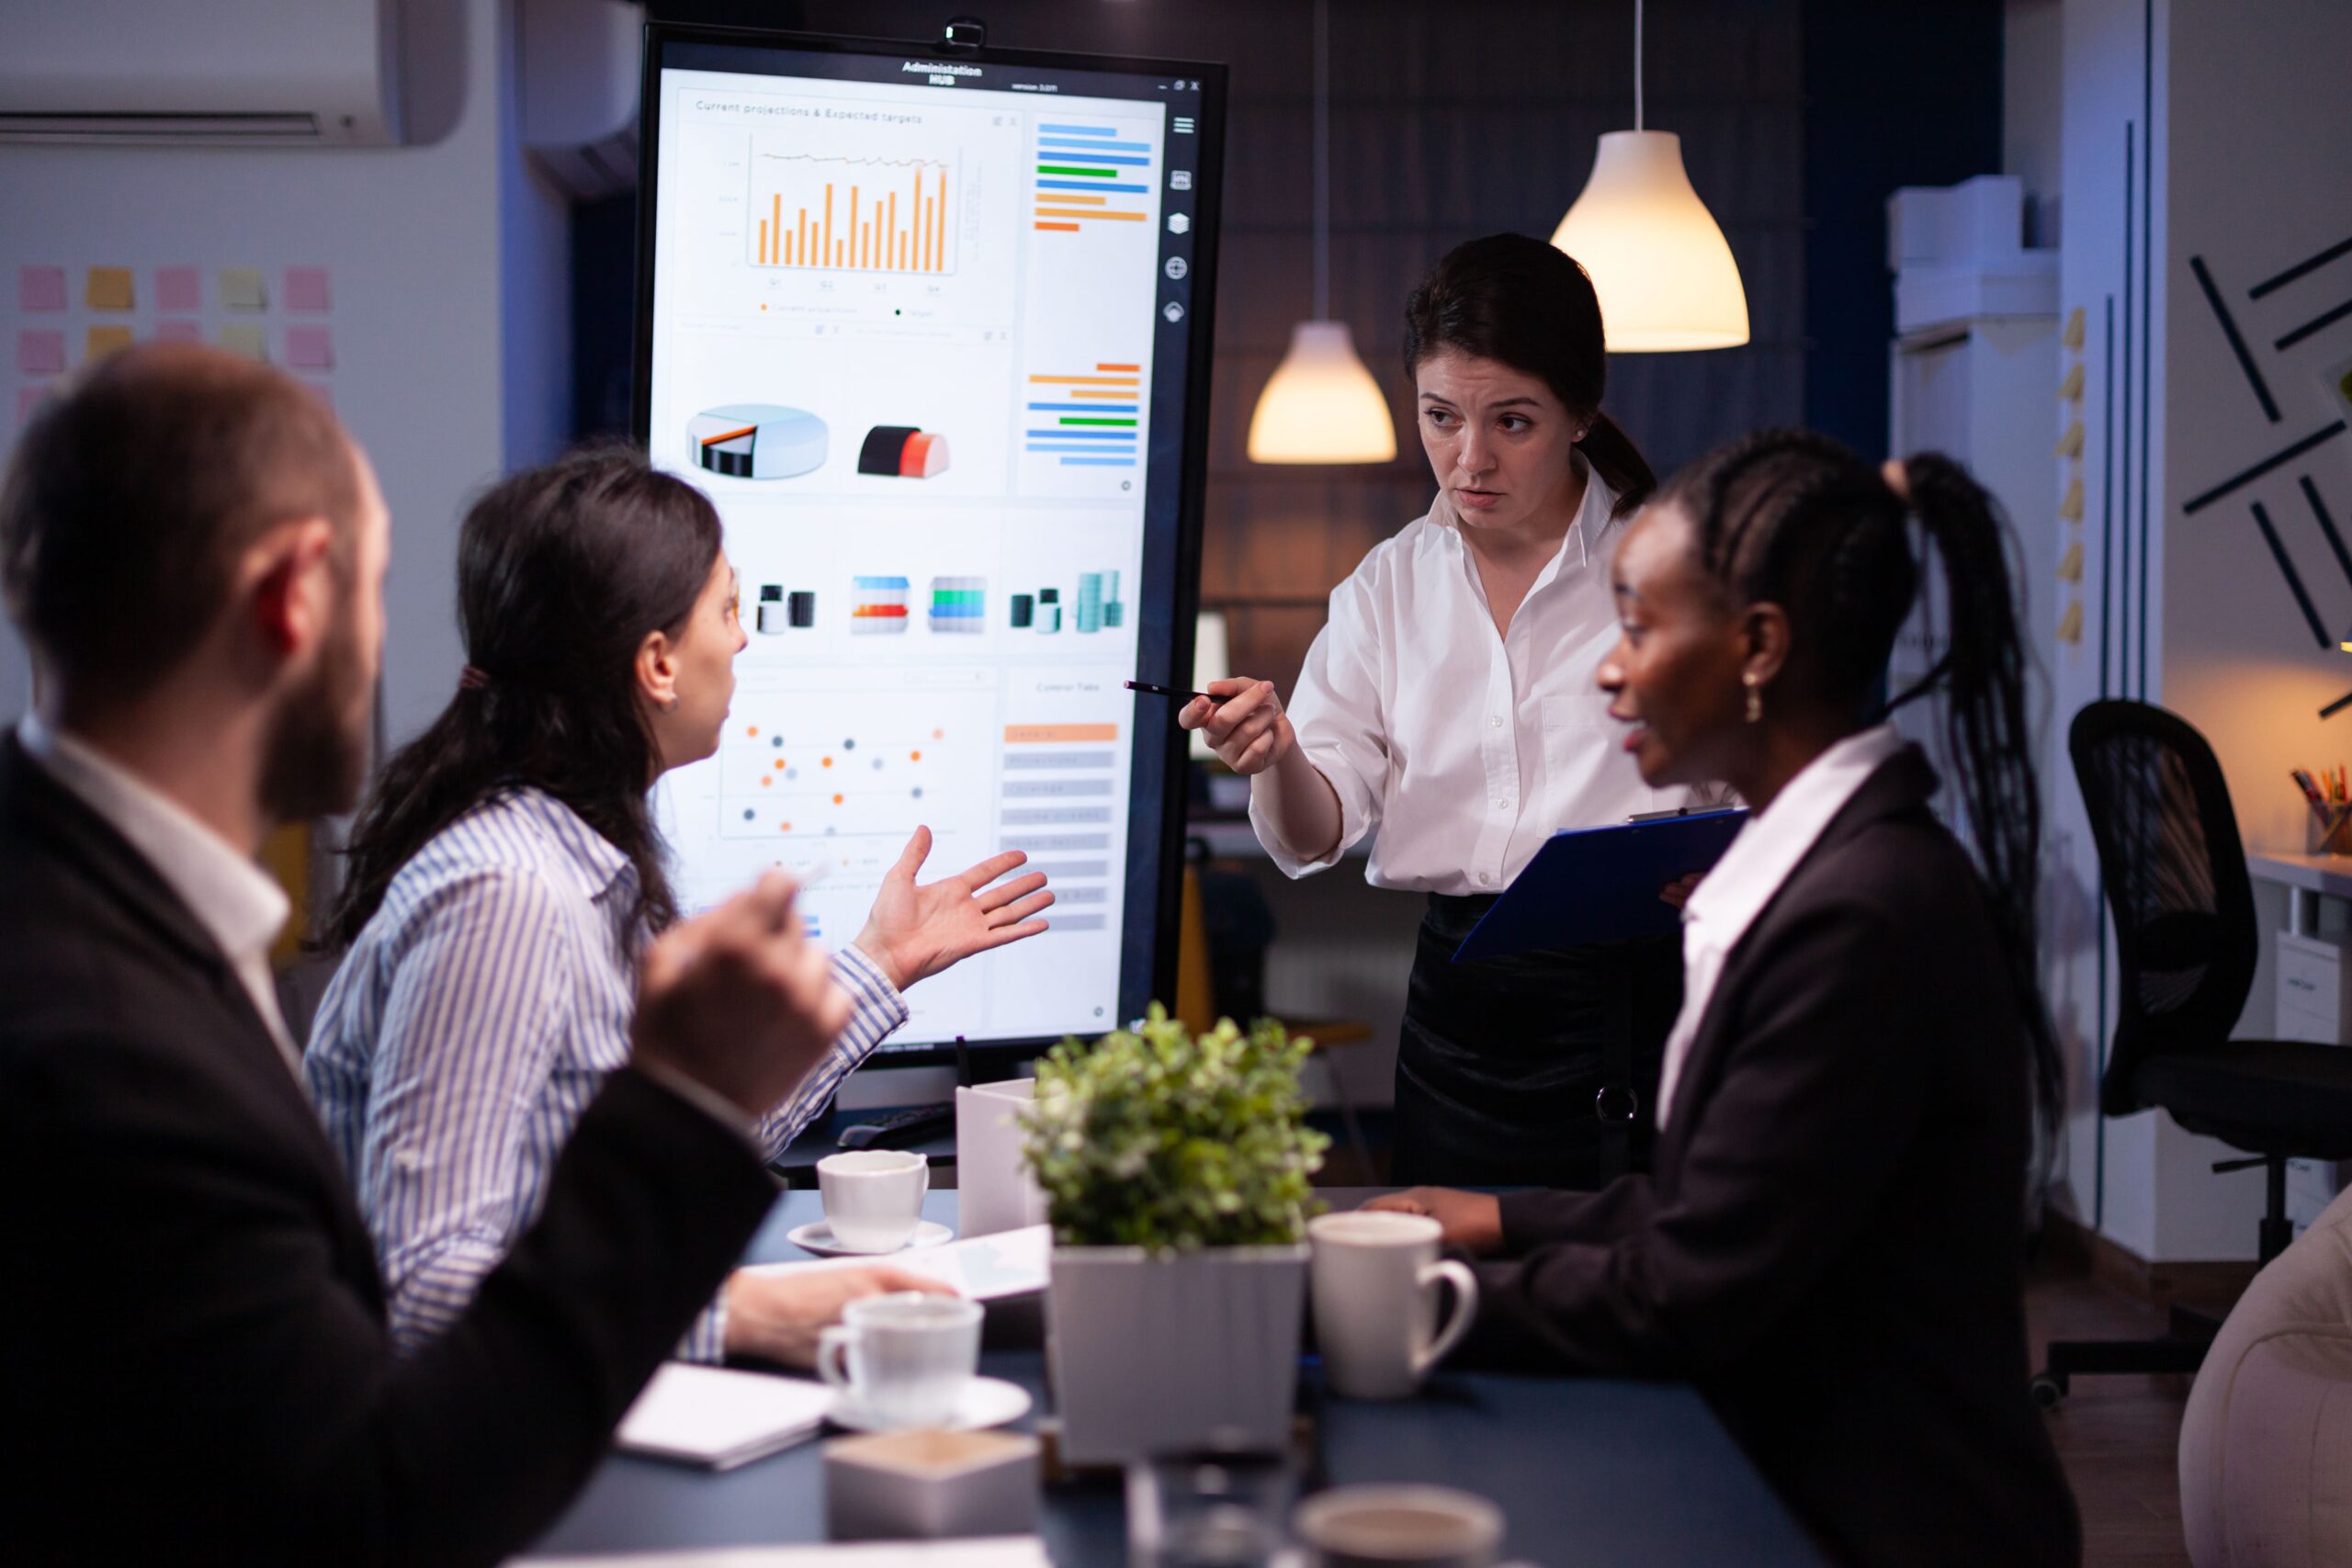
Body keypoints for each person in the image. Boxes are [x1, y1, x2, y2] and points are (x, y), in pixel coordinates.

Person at [0, 344, 866, 1562]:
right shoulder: (106, 1040)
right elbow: (386, 1494)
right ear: (294, 592)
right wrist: (679, 1114)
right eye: (375, 584)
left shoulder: (107, 912)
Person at [1370, 431, 2081, 1567]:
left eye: (1639, 629)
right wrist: (1492, 1216)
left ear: (1757, 647)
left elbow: (1692, 1290)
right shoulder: (1819, 872)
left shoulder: (1862, 917)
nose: (1610, 667)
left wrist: (1388, 1302)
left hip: (1883, 1524)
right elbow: (1726, 1209)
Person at [303, 448, 1051, 1364]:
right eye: (729, 608)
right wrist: (747, 1318)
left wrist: (878, 963)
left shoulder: (577, 860)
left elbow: (681, 1147)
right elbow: (425, 1289)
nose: (742, 640)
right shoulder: (505, 895)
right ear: (656, 663)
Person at [1183, 232, 1687, 1186]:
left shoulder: (1666, 567)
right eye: (1441, 416)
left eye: (1513, 423)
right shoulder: (1387, 586)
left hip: (1631, 1001)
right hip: (1456, 1016)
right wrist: (1279, 754)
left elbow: (1755, 794)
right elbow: (1317, 831)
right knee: (1443, 1310)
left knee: (1624, 1306)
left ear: (1580, 414)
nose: (1469, 459)